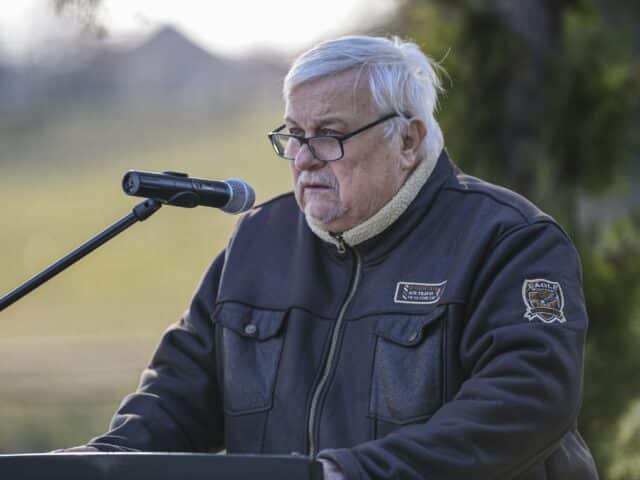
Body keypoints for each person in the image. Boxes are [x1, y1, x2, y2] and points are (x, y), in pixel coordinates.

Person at [66, 36, 598, 479]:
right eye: (294, 135)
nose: (303, 158)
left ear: (407, 140)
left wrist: (351, 474)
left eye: (329, 136)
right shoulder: (259, 240)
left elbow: (527, 402)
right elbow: (178, 397)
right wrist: (96, 464)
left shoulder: (509, 240)